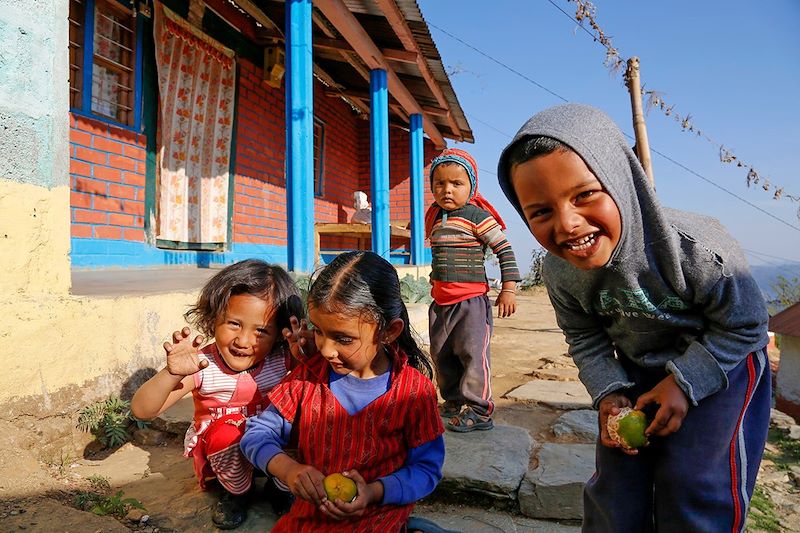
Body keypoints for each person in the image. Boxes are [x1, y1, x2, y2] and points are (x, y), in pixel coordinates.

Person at [496, 103, 771, 531]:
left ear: (622, 182)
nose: (567, 224)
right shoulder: (561, 271)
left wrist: (683, 382)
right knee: (617, 486)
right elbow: (585, 338)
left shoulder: (699, 252)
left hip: (722, 363)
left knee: (694, 479)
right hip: (639, 366)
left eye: (585, 194)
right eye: (541, 211)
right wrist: (609, 392)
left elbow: (747, 324)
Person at [240, 251, 445, 532]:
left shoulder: (413, 392)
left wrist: (374, 491)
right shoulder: (308, 378)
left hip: (378, 518)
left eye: (343, 339)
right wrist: (288, 470)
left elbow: (426, 470)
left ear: (389, 331)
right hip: (309, 518)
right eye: (319, 331)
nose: (325, 349)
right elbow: (256, 435)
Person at [131, 259, 303, 529]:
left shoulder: (282, 359)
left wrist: (305, 353)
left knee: (301, 423)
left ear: (280, 334)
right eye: (234, 323)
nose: (244, 341)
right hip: (223, 458)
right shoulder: (202, 365)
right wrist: (172, 373)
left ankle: (281, 488)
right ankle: (236, 493)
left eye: (261, 331)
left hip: (270, 455)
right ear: (213, 319)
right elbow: (142, 410)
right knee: (226, 433)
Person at [426, 148, 521, 432]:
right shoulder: (435, 217)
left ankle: (480, 410)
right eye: (439, 183)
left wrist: (509, 289)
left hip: (471, 304)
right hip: (440, 303)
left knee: (472, 354)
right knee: (442, 354)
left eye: (457, 184)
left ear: (472, 186)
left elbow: (504, 250)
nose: (447, 190)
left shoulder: (477, 216)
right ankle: (454, 401)